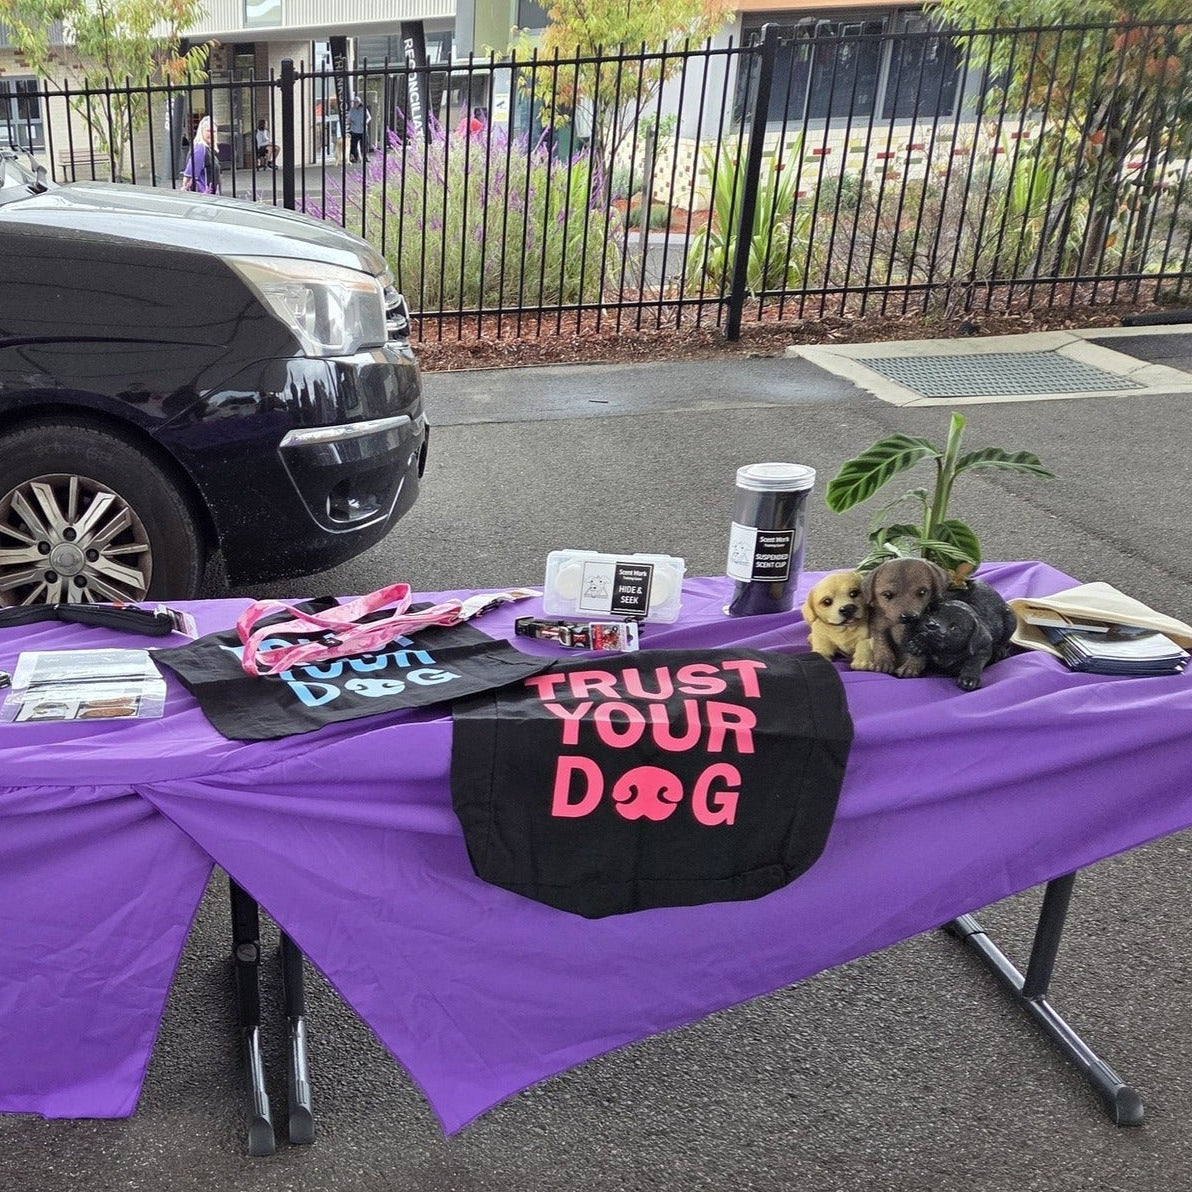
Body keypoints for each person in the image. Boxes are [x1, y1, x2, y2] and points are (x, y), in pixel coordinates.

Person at [180, 116, 221, 194]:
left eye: (214, 131)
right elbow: (188, 177)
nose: (212, 134)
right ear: (201, 131)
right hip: (203, 196)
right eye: (208, 131)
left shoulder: (208, 149)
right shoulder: (200, 148)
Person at [346, 96, 370, 163]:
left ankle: (365, 156)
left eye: (356, 102)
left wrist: (365, 122)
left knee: (365, 144)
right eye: (354, 102)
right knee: (354, 145)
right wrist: (350, 121)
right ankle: (355, 157)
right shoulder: (352, 110)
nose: (355, 104)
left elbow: (369, 117)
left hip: (363, 130)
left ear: (359, 103)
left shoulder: (364, 109)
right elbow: (348, 118)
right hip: (354, 130)